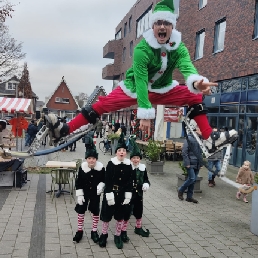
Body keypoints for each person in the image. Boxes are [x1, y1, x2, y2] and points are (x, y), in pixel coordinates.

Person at [46, 0, 237, 153]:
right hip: (135, 88)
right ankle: (65, 130)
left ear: (172, 26)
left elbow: (186, 66)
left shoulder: (178, 47)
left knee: (194, 95)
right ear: (153, 26)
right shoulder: (142, 49)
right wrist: (144, 113)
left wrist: (196, 81)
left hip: (163, 89)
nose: (162, 27)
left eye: (166, 23)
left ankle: (208, 137)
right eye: (158, 23)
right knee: (100, 105)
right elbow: (141, 80)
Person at [98, 133, 133, 249]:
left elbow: (130, 181)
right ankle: (104, 235)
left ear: (126, 153)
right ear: (116, 152)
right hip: (111, 193)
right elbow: (107, 179)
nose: (122, 152)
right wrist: (108, 194)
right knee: (106, 216)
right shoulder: (111, 163)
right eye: (119, 150)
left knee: (120, 216)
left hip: (122, 195)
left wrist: (128, 195)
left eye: (124, 150)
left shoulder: (129, 165)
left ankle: (117, 235)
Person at [73, 137, 105, 243]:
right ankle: (79, 231)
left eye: (93, 158)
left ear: (96, 159)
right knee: (81, 211)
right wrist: (80, 195)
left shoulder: (101, 168)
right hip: (84, 193)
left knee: (95, 211)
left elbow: (104, 179)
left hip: (95, 194)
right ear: (86, 159)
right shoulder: (82, 168)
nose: (91, 160)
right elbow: (78, 182)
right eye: (89, 158)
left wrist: (101, 185)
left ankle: (94, 231)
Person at [121, 138, 150, 243]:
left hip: (139, 194)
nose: (136, 160)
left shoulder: (142, 168)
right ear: (131, 159)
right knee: (127, 212)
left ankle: (138, 228)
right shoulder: (128, 168)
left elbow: (146, 179)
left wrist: (146, 184)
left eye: (137, 158)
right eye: (134, 158)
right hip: (129, 194)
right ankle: (123, 231)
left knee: (139, 211)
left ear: (140, 159)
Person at [178, 125, 203, 203]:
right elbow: (184, 151)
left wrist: (201, 163)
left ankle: (189, 197)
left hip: (197, 163)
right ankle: (181, 190)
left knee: (194, 180)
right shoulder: (189, 138)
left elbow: (200, 153)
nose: (202, 132)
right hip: (190, 163)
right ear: (197, 129)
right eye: (201, 130)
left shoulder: (200, 140)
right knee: (192, 178)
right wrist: (187, 163)